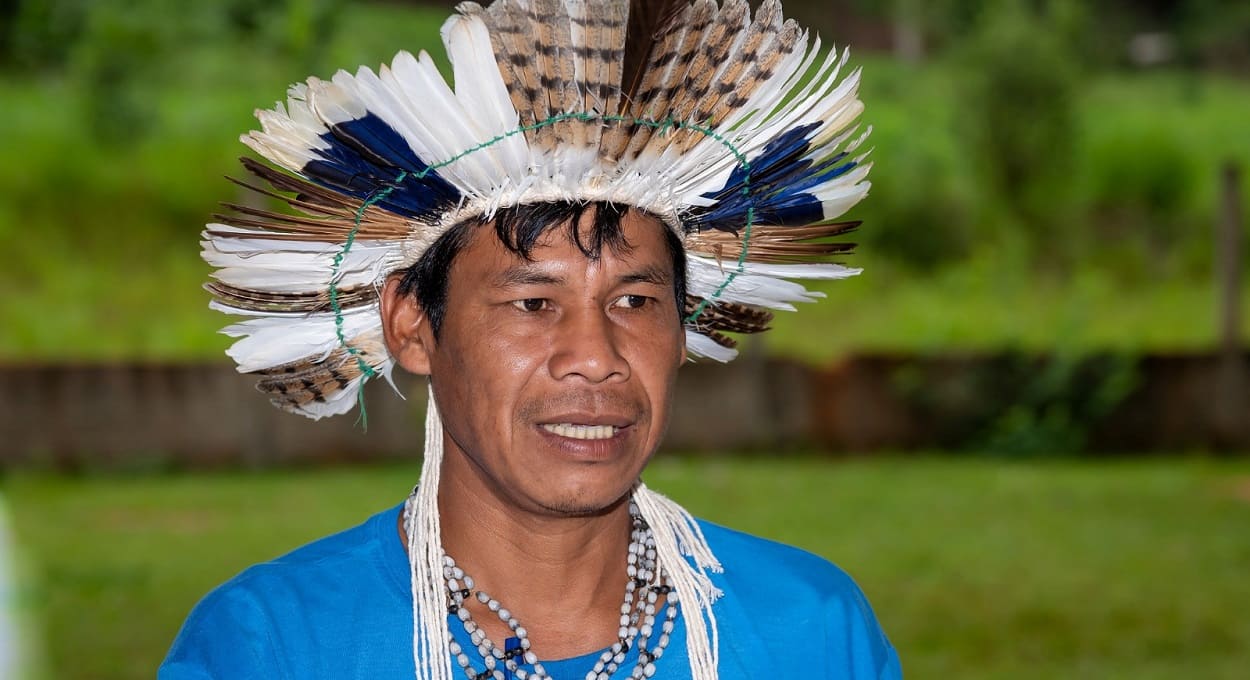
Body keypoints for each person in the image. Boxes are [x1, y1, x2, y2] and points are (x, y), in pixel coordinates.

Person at [161, 0, 900, 678]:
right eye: (533, 302)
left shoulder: (811, 631)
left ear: (684, 329)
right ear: (412, 326)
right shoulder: (274, 646)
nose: (596, 358)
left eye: (636, 300)